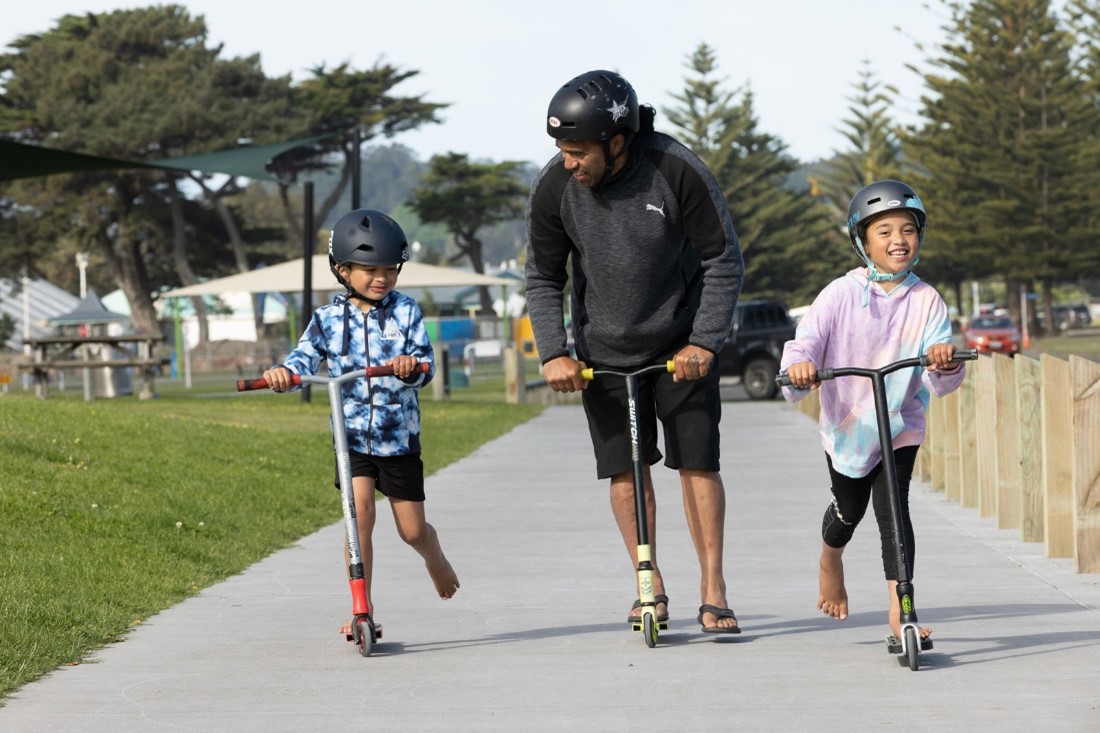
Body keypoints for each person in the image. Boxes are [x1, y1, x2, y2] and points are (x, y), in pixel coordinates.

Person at [524, 70, 745, 633]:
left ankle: (713, 586)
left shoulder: (676, 169)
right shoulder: (555, 188)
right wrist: (554, 351)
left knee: (697, 462)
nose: (568, 163)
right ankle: (650, 585)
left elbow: (723, 260)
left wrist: (704, 341)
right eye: (561, 150)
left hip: (681, 344)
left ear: (617, 141)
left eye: (578, 151)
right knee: (626, 469)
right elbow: (544, 277)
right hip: (602, 351)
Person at [779, 179, 965, 644]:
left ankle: (901, 610)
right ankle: (830, 558)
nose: (898, 240)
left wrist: (944, 358)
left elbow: (942, 368)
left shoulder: (927, 300)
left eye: (907, 229)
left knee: (894, 511)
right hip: (848, 425)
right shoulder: (839, 294)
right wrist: (800, 366)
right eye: (884, 231)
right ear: (862, 241)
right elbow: (805, 342)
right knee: (849, 510)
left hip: (900, 421)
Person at [263, 208, 459, 635]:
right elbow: (303, 361)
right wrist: (284, 375)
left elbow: (425, 365)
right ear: (342, 270)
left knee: (411, 530)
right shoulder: (327, 320)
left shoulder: (405, 312)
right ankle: (361, 609)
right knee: (360, 517)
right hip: (351, 440)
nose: (381, 278)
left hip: (398, 441)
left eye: (390, 269)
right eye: (370, 269)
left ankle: (435, 557)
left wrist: (411, 366)